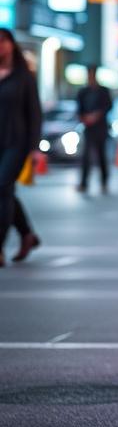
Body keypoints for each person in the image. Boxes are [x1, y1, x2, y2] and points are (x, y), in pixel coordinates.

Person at [0, 29, 42, 265]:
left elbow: (34, 113)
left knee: (3, 186)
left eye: (3, 42)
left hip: (16, 142)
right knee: (4, 192)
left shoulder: (24, 76)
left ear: (11, 45)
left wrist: (35, 148)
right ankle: (27, 234)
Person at [76, 65, 113, 193]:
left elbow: (108, 106)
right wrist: (84, 118)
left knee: (101, 155)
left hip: (101, 127)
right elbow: (79, 109)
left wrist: (96, 116)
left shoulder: (103, 91)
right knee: (86, 156)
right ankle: (84, 183)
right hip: (88, 128)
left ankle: (104, 182)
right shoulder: (83, 92)